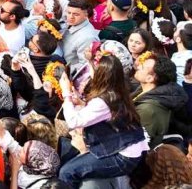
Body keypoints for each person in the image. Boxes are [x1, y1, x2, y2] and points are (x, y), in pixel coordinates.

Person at [58, 54, 148, 187]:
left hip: (123, 156)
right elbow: (104, 115)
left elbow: (73, 121)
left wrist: (66, 93)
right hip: (128, 147)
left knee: (66, 172)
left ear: (101, 75)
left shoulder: (103, 100)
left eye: (93, 69)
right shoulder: (117, 91)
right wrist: (81, 103)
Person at [132, 52, 187, 147]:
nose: (138, 67)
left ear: (150, 78)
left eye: (143, 67)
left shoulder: (148, 109)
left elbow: (139, 142)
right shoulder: (143, 90)